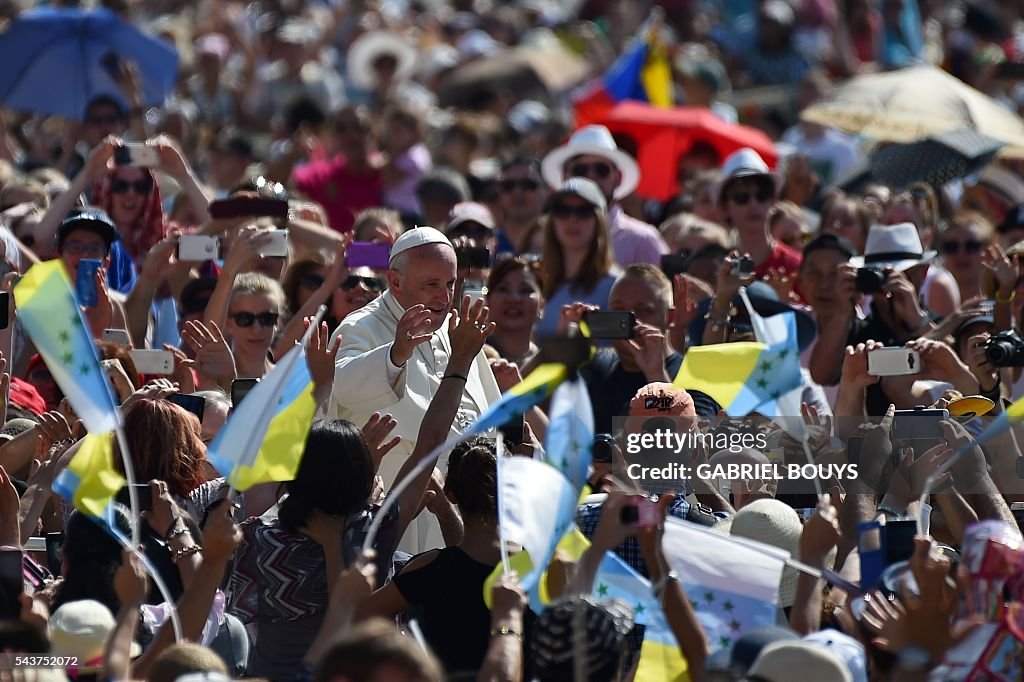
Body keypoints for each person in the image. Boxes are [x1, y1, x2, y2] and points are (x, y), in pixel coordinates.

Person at [329, 227, 501, 552]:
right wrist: (395, 354)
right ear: (395, 281)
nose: (444, 297)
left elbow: (487, 415)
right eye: (431, 285)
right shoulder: (360, 326)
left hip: (464, 505)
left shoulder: (455, 328)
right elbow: (341, 387)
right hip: (402, 505)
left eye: (450, 284)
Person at [358, 438, 507, 674]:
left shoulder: (430, 568)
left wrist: (371, 520)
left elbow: (359, 614)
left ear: (451, 493)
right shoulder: (534, 566)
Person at [541, 125, 668, 267]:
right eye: (580, 170)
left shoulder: (642, 240)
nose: (591, 176)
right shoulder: (547, 236)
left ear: (618, 177)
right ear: (564, 176)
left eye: (601, 169)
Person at [535, 178, 617, 337]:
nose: (572, 219)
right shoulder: (535, 282)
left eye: (583, 211)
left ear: (599, 220)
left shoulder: (616, 286)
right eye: (562, 211)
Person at [717, 147, 803, 284]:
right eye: (741, 197)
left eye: (762, 195)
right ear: (726, 206)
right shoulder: (717, 267)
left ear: (773, 201)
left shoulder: (797, 267)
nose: (753, 204)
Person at [291, 106, 383, 234]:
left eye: (359, 127)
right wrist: (292, 153)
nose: (350, 135)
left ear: (374, 134)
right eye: (341, 129)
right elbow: (285, 184)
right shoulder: (319, 177)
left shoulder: (390, 175)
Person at [484, 257, 544, 368]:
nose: (514, 299)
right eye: (503, 289)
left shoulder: (550, 365)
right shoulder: (474, 357)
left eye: (525, 290)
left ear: (542, 303)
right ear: (488, 299)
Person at [495, 156, 548, 257]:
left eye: (528, 184)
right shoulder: (488, 244)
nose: (517, 192)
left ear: (547, 190)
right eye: (508, 185)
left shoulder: (563, 243)